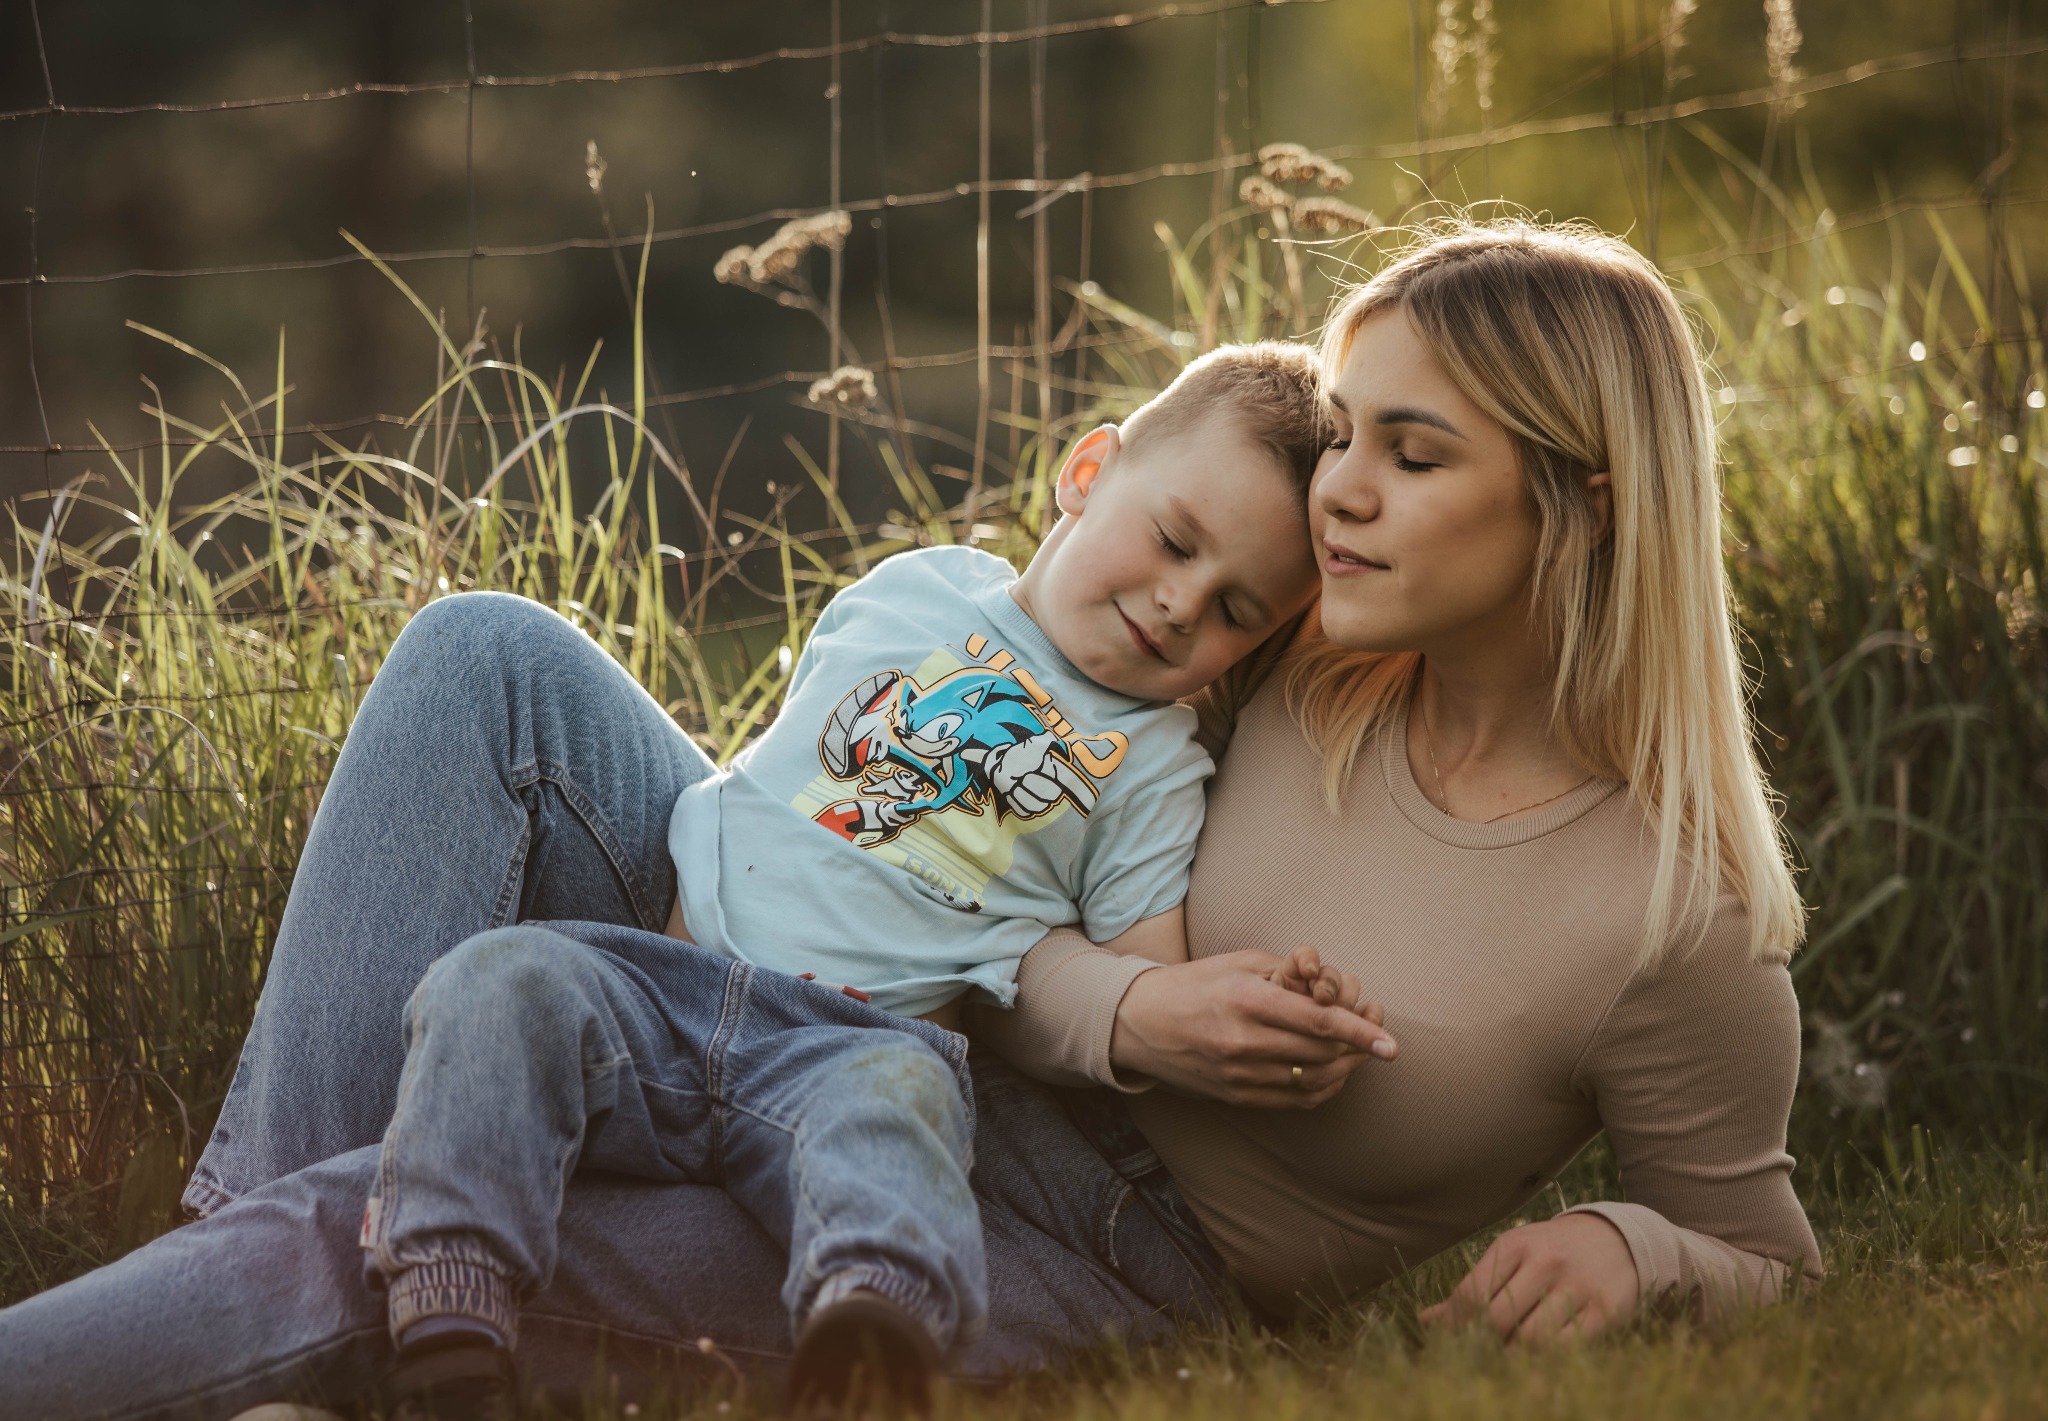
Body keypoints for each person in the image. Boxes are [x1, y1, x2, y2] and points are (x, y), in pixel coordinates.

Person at [0, 218, 1822, 1421]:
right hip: (854, 985)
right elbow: (1019, 723)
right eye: (1352, 435)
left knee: (366, 1225)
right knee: (489, 659)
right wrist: (1118, 1005)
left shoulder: (1667, 911)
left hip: (1066, 1218)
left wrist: (1629, 1246)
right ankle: (270, 1299)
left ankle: (282, 1309)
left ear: (1580, 507)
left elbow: (1763, 1251)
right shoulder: (1295, 653)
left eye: (1411, 459)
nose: (1339, 492)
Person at [353, 342, 1372, 1417]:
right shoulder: (919, 583)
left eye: (1232, 612)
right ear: (1085, 473)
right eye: (1173, 542)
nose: (1178, 604)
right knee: (500, 977)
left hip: (847, 1043)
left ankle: (870, 1337)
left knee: (907, 1106)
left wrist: (1243, 1017)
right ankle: (447, 1311)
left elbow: (1141, 975)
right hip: (661, 972)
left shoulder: (1155, 765)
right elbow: (796, 760)